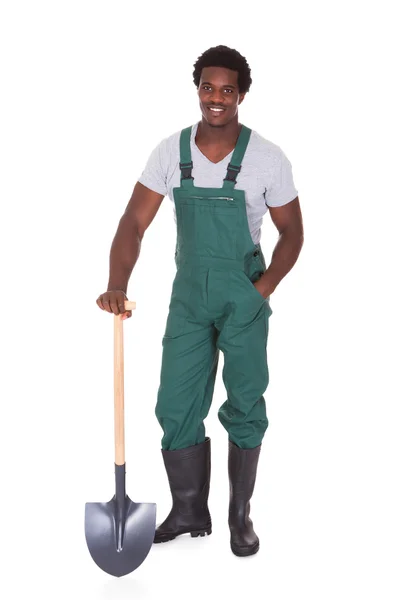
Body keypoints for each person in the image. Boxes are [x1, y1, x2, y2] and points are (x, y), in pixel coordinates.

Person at [96, 45, 304, 557]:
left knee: (245, 400)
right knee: (175, 403)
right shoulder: (171, 153)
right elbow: (133, 222)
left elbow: (292, 233)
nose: (216, 98)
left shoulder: (267, 158)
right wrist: (117, 280)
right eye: (208, 88)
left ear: (242, 95)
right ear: (198, 89)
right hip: (188, 297)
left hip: (244, 295)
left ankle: (240, 515)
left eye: (227, 90)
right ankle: (189, 509)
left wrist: (263, 288)